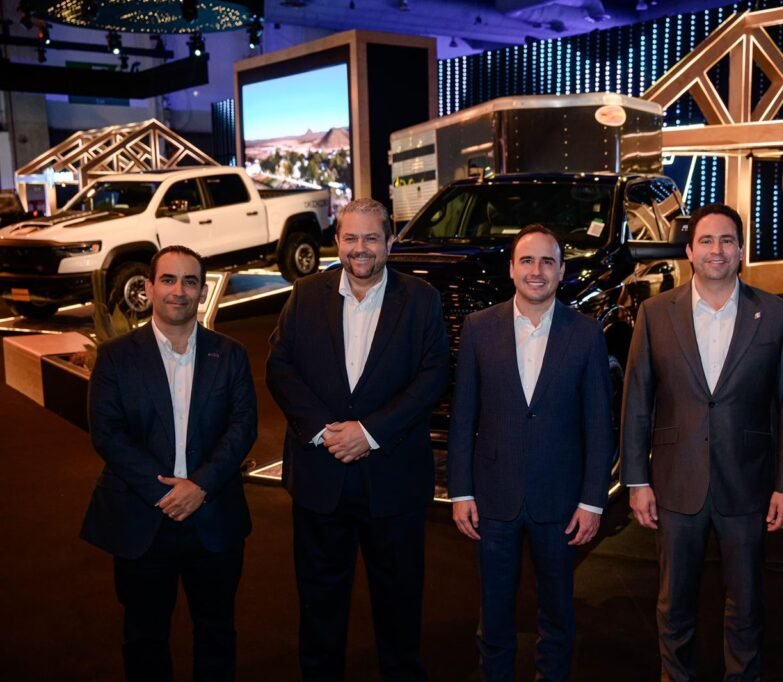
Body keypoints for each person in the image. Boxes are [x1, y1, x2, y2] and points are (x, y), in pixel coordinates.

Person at [266, 198, 448, 681]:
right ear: (337, 241)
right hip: (320, 479)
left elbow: (432, 376)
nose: (360, 248)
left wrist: (369, 433)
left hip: (394, 482)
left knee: (399, 606)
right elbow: (279, 367)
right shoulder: (305, 293)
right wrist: (325, 431)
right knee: (319, 606)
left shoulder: (421, 299)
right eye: (350, 238)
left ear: (390, 242)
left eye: (371, 238)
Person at [620, 202, 783, 680]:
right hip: (675, 482)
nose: (716, 249)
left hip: (748, 483)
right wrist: (637, 481)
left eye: (726, 240)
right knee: (673, 604)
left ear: (741, 250)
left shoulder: (777, 315)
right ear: (689, 251)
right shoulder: (655, 313)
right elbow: (637, 401)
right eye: (706, 240)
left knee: (747, 604)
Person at [81, 245, 258, 682]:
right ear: (148, 287)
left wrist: (199, 486)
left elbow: (242, 428)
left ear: (202, 291)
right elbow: (107, 433)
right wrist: (165, 493)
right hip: (143, 519)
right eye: (168, 279)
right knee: (144, 638)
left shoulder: (230, 354)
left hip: (213, 517)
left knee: (217, 632)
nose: (179, 290)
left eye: (190, 281)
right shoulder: (116, 356)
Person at [448, 224, 615, 681]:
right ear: (511, 269)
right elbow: (464, 416)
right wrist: (461, 491)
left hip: (560, 501)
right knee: (494, 615)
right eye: (526, 260)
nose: (536, 271)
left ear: (561, 271)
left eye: (546, 262)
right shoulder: (479, 328)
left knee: (557, 614)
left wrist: (592, 501)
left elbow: (599, 425)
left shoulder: (586, 334)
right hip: (493, 498)